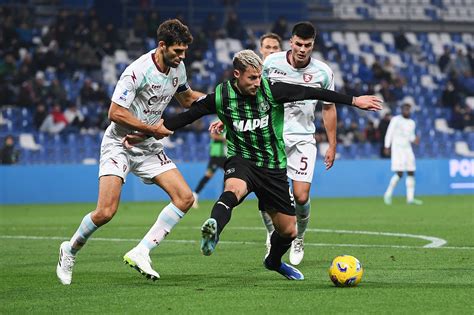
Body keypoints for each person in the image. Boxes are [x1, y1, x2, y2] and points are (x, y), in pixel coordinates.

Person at [125, 50, 381, 280]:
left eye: (259, 77)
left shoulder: (272, 90)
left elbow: (313, 91)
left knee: (289, 231)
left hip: (272, 166)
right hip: (242, 159)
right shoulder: (222, 96)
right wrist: (145, 133)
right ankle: (213, 231)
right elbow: (184, 118)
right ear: (237, 74)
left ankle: (273, 261)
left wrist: (354, 100)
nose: (257, 83)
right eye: (252, 78)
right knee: (233, 191)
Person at [56, 19, 204, 285]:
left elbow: (187, 98)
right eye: (178, 51)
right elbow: (115, 113)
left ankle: (142, 251)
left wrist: (223, 101)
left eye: (184, 51)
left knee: (184, 197)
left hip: (147, 144)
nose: (183, 57)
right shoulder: (137, 71)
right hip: (119, 143)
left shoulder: (177, 68)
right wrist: (151, 127)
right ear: (162, 46)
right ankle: (70, 249)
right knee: (105, 212)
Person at [260, 22, 338, 265]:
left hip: (304, 139)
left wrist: (332, 145)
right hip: (273, 137)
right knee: (267, 195)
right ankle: (273, 235)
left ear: (313, 45)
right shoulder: (271, 64)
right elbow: (255, 95)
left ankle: (299, 237)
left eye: (308, 45)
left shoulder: (323, 72)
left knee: (301, 197)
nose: (303, 49)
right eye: (299, 44)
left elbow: (329, 108)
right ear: (291, 42)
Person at [383, 104, 422, 205]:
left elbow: (411, 136)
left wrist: (415, 140)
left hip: (408, 149)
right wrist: (387, 146)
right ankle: (388, 194)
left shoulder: (411, 123)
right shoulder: (396, 120)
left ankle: (410, 198)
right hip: (397, 149)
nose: (406, 111)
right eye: (405, 109)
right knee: (399, 173)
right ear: (401, 110)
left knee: (411, 171)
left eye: (408, 109)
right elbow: (389, 133)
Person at [192, 117, 227, 209]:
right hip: (216, 154)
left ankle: (224, 199)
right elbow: (212, 135)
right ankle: (195, 195)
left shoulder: (226, 119)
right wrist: (225, 139)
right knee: (209, 175)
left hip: (223, 155)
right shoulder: (216, 120)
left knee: (227, 175)